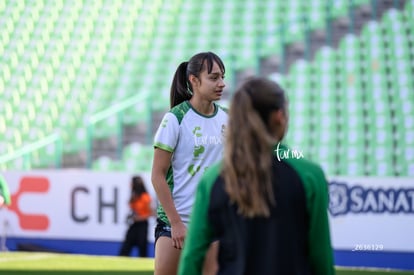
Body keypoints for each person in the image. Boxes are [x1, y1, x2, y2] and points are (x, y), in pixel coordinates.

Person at [178, 77, 336, 275]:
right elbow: (321, 259)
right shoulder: (310, 175)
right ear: (279, 116)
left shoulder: (213, 179)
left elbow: (192, 257)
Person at [151, 51, 227, 275]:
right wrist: (175, 223)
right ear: (194, 80)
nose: (221, 83)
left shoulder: (229, 120)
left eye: (222, 76)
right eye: (214, 77)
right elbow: (157, 175)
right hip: (176, 225)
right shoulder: (175, 119)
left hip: (213, 225)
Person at [119, 175, 152, 257]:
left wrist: (139, 218)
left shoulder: (145, 197)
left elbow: (150, 213)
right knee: (126, 245)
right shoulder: (134, 196)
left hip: (142, 224)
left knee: (142, 247)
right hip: (134, 224)